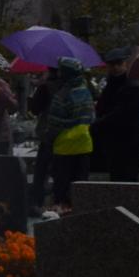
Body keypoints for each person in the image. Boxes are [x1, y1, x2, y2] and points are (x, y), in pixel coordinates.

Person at [38, 57, 98, 208]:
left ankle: (61, 215)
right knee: (80, 189)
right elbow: (92, 117)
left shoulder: (61, 96)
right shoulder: (86, 92)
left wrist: (48, 140)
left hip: (64, 146)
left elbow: (55, 124)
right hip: (84, 144)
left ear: (65, 74)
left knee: (61, 189)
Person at [92, 68, 139, 182]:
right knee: (116, 173)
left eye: (119, 63)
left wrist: (98, 122)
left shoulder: (134, 87)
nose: (115, 67)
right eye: (112, 64)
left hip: (128, 138)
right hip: (113, 138)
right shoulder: (111, 85)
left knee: (127, 175)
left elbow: (123, 113)